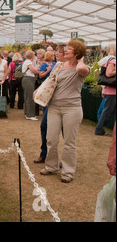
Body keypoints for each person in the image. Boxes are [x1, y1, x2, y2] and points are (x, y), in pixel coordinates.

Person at [40, 40, 90, 183]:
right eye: (66, 48)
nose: (65, 50)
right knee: (51, 139)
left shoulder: (82, 68)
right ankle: (51, 166)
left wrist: (80, 60)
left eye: (69, 49)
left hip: (72, 109)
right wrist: (39, 91)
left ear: (77, 53)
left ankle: (68, 172)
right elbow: (50, 81)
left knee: (69, 142)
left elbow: (81, 70)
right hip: (54, 107)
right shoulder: (59, 66)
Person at [34, 50, 57, 164]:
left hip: (61, 102)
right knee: (44, 126)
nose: (55, 56)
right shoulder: (50, 65)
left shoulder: (57, 65)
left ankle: (52, 157)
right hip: (48, 98)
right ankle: (44, 154)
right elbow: (44, 77)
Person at [95, 44, 116, 136]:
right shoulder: (113, 61)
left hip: (110, 90)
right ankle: (99, 130)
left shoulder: (107, 60)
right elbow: (109, 74)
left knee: (109, 111)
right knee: (107, 111)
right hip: (112, 91)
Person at [21, 50, 39, 120]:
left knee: (27, 97)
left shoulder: (26, 61)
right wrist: (35, 64)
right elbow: (34, 71)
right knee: (30, 97)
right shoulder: (28, 62)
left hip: (27, 80)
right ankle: (30, 115)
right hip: (28, 80)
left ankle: (27, 113)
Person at [34, 49, 46, 116]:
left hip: (43, 79)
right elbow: (35, 70)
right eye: (38, 53)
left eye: (40, 54)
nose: (38, 55)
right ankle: (36, 111)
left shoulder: (45, 61)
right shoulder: (35, 61)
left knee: (43, 94)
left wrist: (39, 72)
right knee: (36, 94)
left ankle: (44, 110)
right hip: (36, 79)